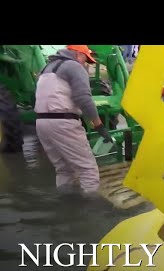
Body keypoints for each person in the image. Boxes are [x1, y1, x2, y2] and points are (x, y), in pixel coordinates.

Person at [34, 45, 113, 194]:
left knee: (63, 169)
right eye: (85, 59)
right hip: (63, 122)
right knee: (88, 169)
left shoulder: (46, 68)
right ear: (78, 54)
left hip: (42, 122)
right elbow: (83, 97)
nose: (85, 64)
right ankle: (92, 211)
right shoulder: (74, 66)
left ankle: (66, 205)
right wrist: (98, 125)